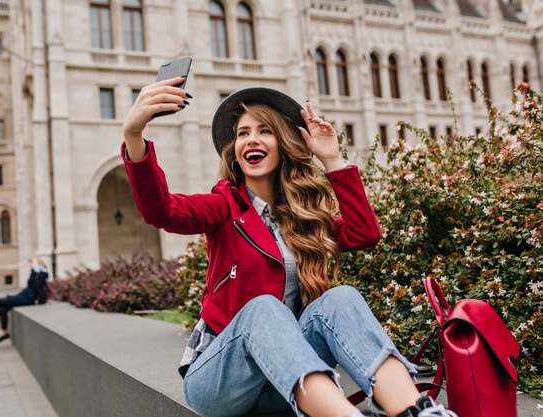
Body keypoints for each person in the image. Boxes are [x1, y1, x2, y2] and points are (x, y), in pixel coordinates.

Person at [120, 77, 457, 417]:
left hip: (287, 381)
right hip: (222, 383)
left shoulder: (303, 216)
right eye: (242, 133)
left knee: (341, 298)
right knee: (263, 307)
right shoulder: (224, 207)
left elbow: (363, 233)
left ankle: (416, 410)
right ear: (235, 153)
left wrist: (332, 160)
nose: (252, 139)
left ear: (283, 143)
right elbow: (161, 211)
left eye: (264, 130)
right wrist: (134, 135)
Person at [0, 258, 49, 343]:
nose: (31, 263)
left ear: (38, 263)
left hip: (27, 299)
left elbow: (40, 288)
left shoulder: (40, 273)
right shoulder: (35, 272)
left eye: (33, 261)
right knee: (2, 309)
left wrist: (42, 302)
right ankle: (4, 333)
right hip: (24, 295)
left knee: (0, 301)